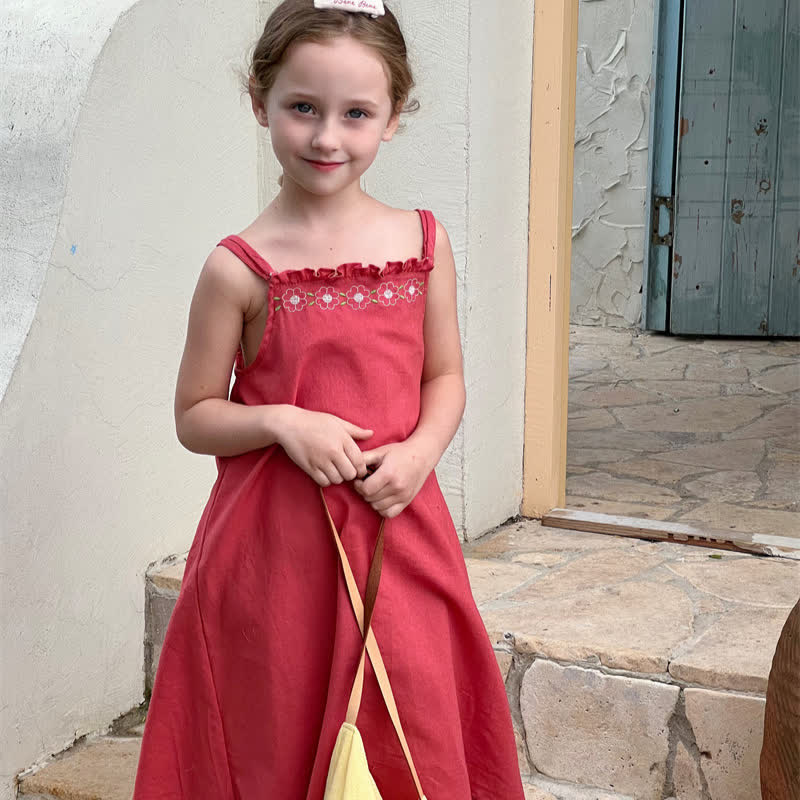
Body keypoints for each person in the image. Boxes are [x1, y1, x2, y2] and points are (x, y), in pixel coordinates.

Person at [132, 1, 524, 797]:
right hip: (272, 553)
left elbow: (444, 377)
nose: (326, 137)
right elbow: (195, 416)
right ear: (260, 101)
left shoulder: (423, 243)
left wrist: (419, 454)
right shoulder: (237, 268)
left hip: (397, 526)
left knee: (410, 712)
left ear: (394, 119)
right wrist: (282, 420)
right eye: (302, 107)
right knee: (272, 723)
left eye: (356, 114)